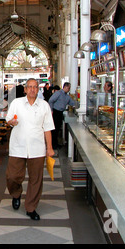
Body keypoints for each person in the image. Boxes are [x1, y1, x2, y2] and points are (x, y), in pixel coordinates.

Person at [5, 79, 54, 221]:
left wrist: (49, 148)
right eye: (30, 87)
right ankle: (16, 194)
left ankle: (31, 208)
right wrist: (11, 122)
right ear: (25, 89)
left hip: (37, 148)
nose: (32, 89)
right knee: (12, 176)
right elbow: (8, 119)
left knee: (36, 180)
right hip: (17, 147)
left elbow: (48, 128)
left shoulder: (44, 105)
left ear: (38, 90)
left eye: (35, 87)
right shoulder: (16, 103)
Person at [48, 82, 76, 151]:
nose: (69, 90)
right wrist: (51, 110)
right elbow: (51, 100)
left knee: (57, 129)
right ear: (66, 87)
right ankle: (53, 145)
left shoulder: (67, 96)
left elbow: (72, 103)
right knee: (54, 129)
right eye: (69, 88)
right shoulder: (58, 93)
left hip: (60, 113)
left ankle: (55, 143)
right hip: (55, 112)